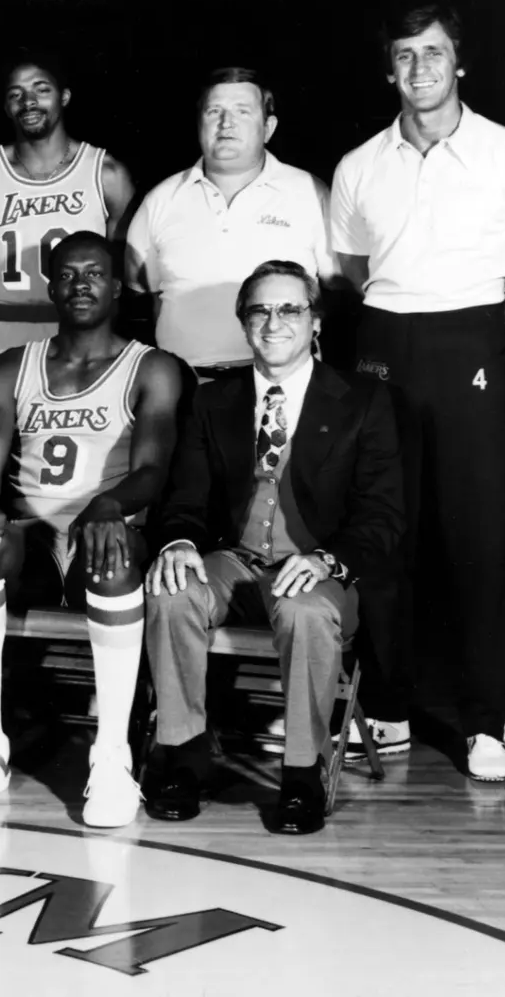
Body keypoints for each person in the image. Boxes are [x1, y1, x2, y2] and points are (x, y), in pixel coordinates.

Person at [331, 4, 505, 781]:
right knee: (387, 536)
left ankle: (487, 719)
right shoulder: (360, 165)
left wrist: (477, 342)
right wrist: (406, 330)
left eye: (434, 53)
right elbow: (354, 273)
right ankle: (385, 708)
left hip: (473, 347)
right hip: (388, 343)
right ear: (389, 69)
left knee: (479, 542)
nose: (420, 68)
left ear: (460, 63)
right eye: (405, 55)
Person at [144, 261, 405, 833]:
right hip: (234, 560)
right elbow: (185, 496)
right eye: (261, 309)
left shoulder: (362, 400)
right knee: (170, 592)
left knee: (306, 610)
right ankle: (183, 759)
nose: (274, 321)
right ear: (243, 322)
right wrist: (180, 542)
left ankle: (301, 774)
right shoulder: (214, 401)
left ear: (314, 322)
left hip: (320, 566)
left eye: (290, 309)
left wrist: (326, 559)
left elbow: (383, 514)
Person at [0, 231, 181, 826]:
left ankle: (111, 758)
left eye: (94, 274)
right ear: (50, 286)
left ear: (118, 286)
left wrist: (106, 506)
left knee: (116, 553)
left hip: (105, 531)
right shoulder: (12, 367)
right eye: (68, 275)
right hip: (32, 530)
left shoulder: (150, 367)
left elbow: (152, 470)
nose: (81, 285)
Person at [126, 67, 339, 380]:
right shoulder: (160, 200)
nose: (226, 123)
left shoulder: (310, 192)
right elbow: (143, 297)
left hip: (282, 386)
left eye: (242, 111)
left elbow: (337, 293)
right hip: (188, 388)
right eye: (215, 111)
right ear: (199, 123)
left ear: (268, 127)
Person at [0, 52, 134, 375]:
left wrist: (99, 336)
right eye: (16, 94)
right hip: (5, 330)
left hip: (81, 334)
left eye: (41, 89)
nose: (29, 101)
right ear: (7, 106)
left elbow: (121, 277)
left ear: (64, 97)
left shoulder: (106, 174)